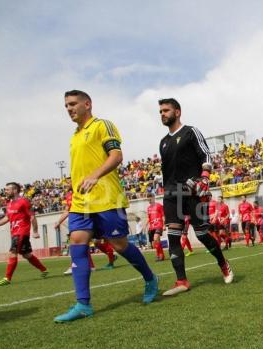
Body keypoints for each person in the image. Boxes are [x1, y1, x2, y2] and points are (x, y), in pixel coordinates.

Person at [55, 90, 158, 323]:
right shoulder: (74, 135)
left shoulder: (103, 125)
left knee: (120, 245)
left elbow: (116, 155)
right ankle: (83, 304)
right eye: (66, 106)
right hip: (81, 202)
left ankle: (150, 279)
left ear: (87, 104)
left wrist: (95, 175)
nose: (69, 109)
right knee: (77, 244)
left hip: (106, 198)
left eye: (72, 104)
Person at [158, 98, 233, 296]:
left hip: (192, 192)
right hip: (172, 195)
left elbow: (206, 156)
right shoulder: (163, 143)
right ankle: (181, 280)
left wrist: (205, 179)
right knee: (173, 237)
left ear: (178, 112)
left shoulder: (191, 132)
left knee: (202, 235)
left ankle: (223, 263)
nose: (162, 114)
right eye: (160, 111)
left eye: (166, 110)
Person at [0, 182, 49, 285]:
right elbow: (7, 218)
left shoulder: (24, 202)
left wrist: (35, 231)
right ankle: (44, 270)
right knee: (26, 255)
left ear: (15, 190)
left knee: (13, 252)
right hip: (14, 232)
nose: (5, 191)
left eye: (7, 190)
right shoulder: (10, 203)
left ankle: (7, 278)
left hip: (21, 232)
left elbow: (32, 216)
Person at [146, 193, 166, 261]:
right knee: (155, 243)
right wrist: (146, 225)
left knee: (155, 238)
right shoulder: (148, 208)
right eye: (148, 198)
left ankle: (160, 255)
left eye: (150, 198)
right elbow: (149, 218)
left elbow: (163, 216)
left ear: (153, 197)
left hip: (159, 225)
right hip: (152, 227)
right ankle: (160, 255)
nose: (149, 199)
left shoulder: (159, 205)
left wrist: (164, 225)